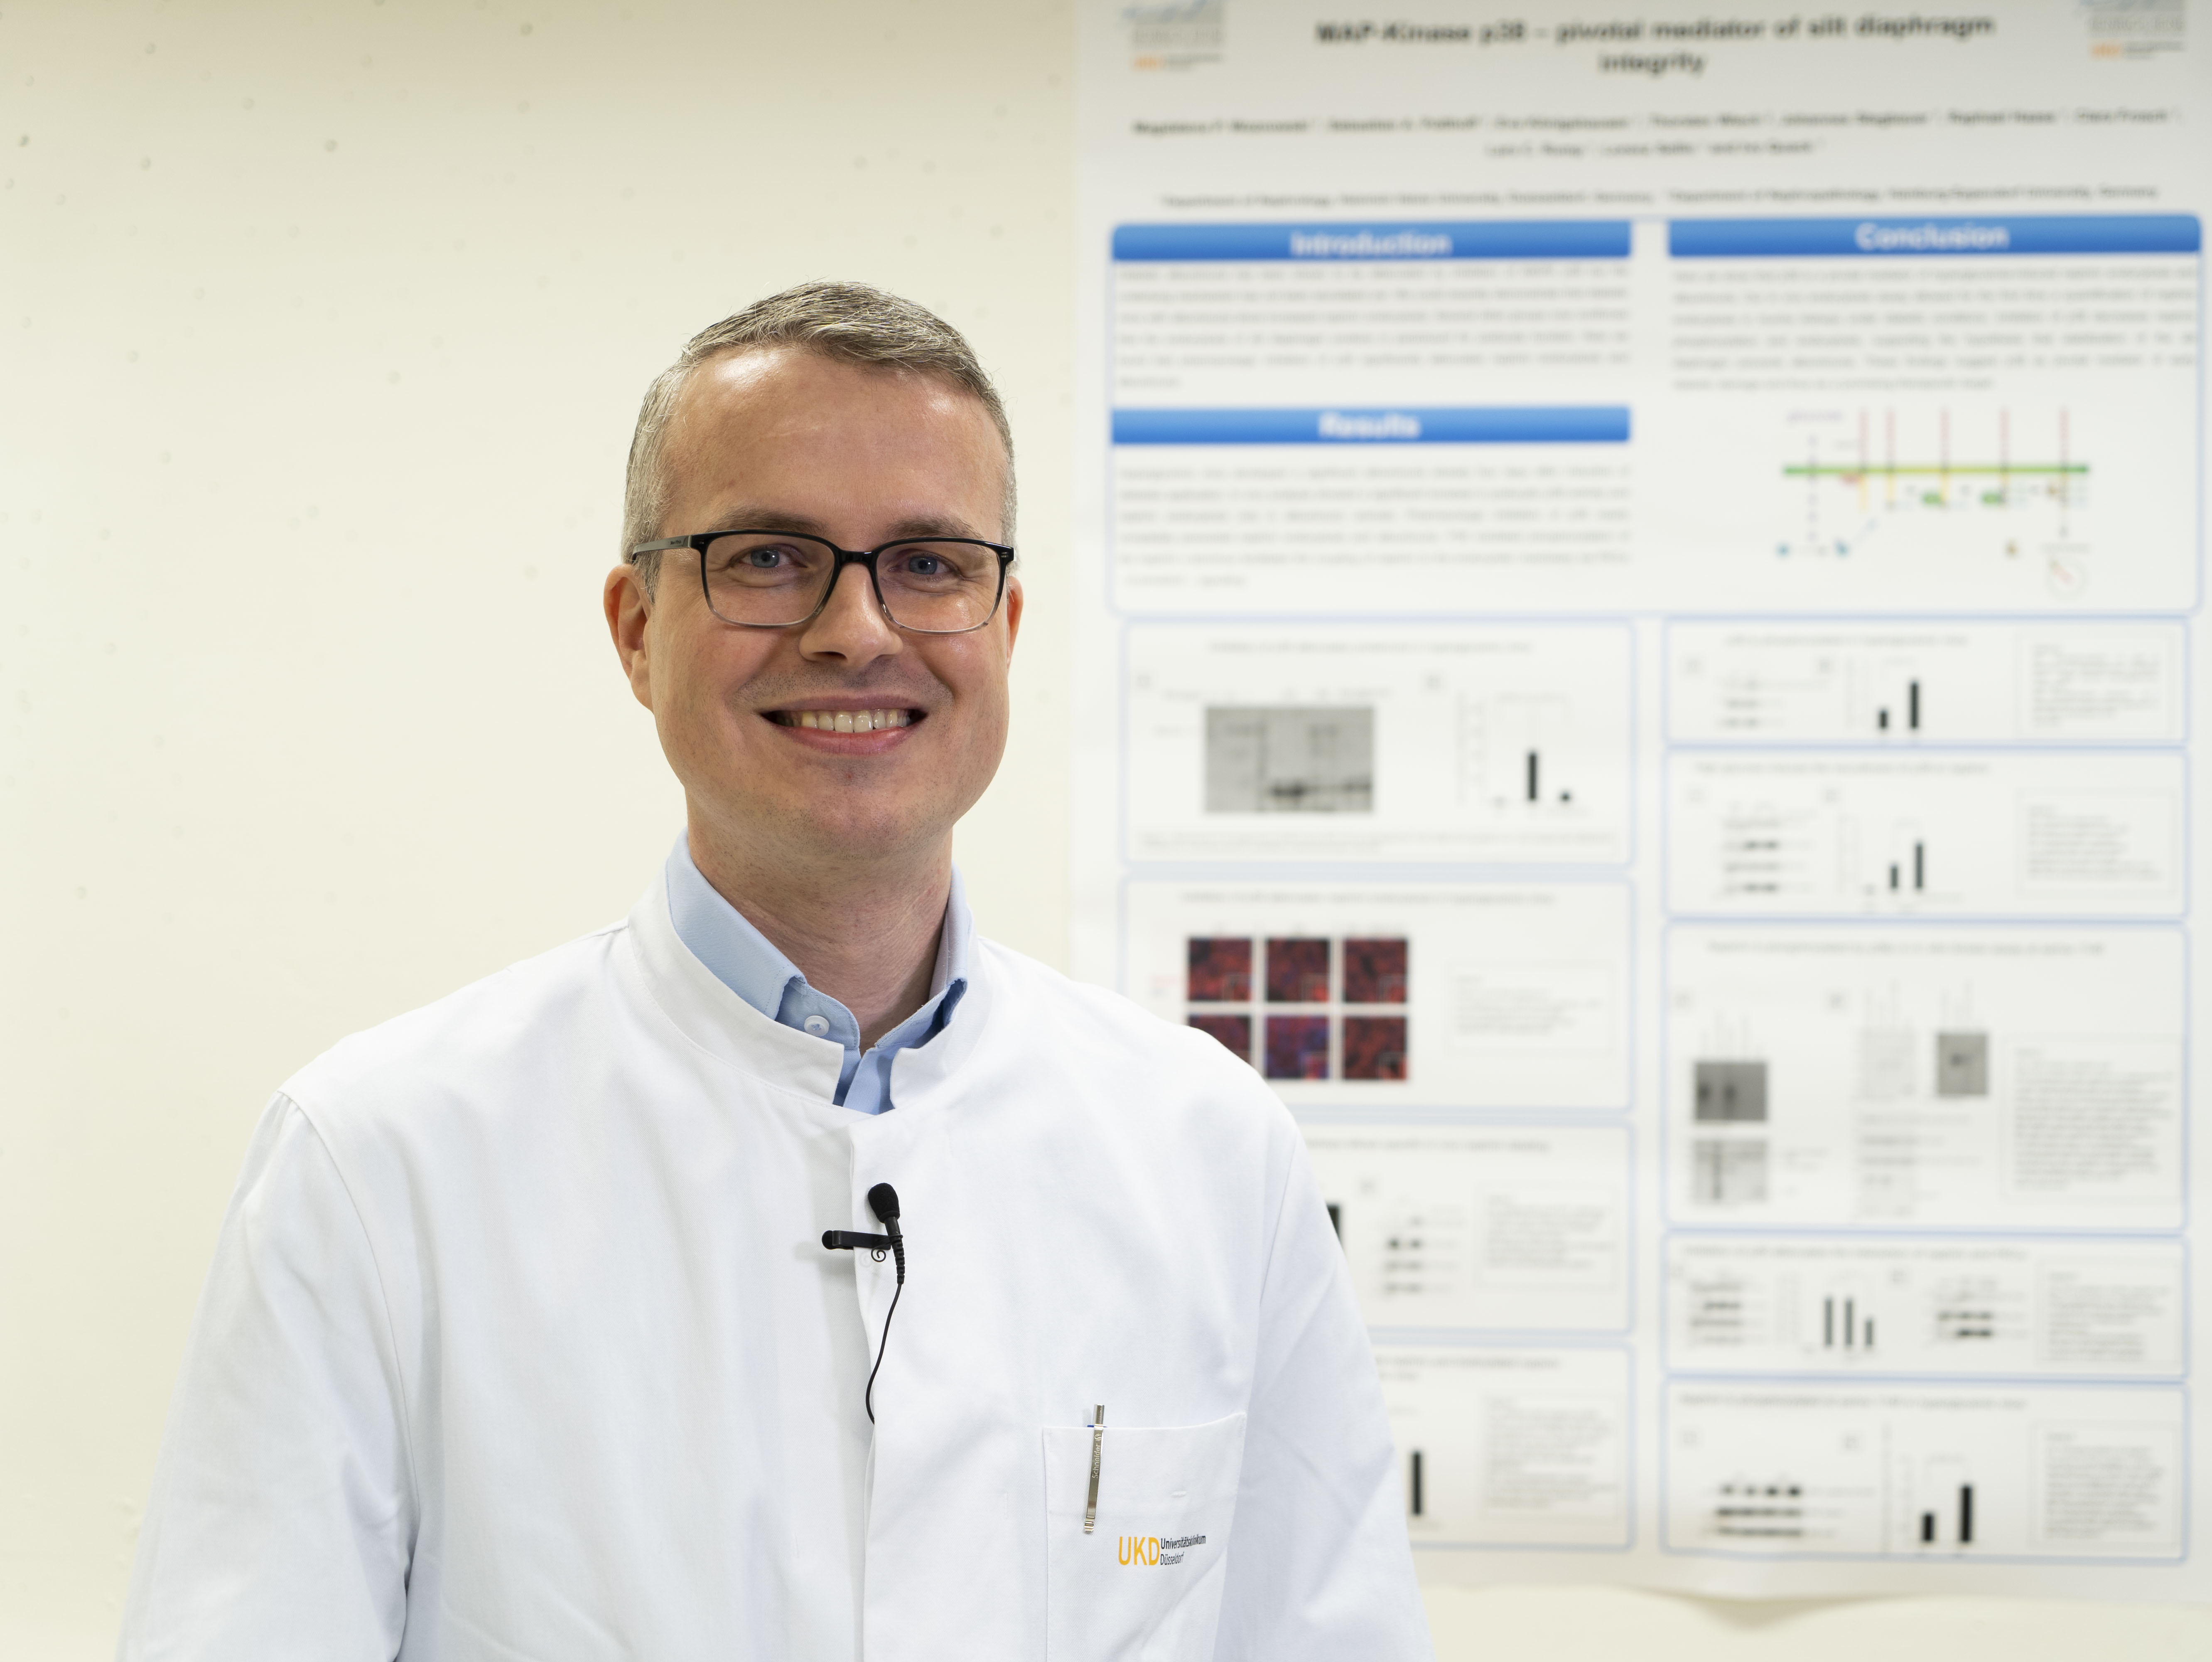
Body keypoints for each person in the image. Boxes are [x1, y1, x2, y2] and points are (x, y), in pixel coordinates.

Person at [118, 283, 1433, 1661]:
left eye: (929, 563)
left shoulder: (1214, 1153)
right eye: (766, 557)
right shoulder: (379, 1160)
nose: (856, 629)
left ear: (1005, 627)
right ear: (637, 629)